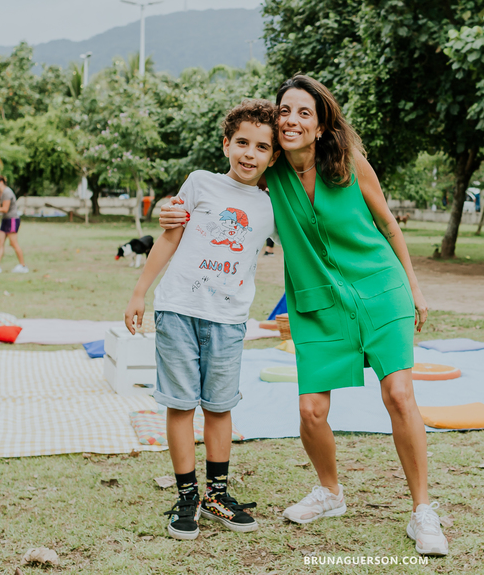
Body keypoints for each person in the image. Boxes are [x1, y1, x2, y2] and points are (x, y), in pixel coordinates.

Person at [160, 75, 449, 557]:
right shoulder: (270, 175)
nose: (292, 120)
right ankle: (330, 492)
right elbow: (221, 192)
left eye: (304, 113)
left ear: (320, 125)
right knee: (310, 411)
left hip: (380, 291)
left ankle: (422, 511)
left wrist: (415, 288)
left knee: (399, 394)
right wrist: (172, 212)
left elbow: (388, 225)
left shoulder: (350, 164)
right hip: (319, 303)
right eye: (285, 111)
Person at [125, 99, 280, 541]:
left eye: (262, 147)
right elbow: (169, 237)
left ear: (273, 156)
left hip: (229, 320)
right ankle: (187, 497)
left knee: (219, 406)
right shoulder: (200, 183)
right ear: (226, 143)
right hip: (177, 311)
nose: (250, 154)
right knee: (180, 403)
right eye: (243, 143)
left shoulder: (271, 206)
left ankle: (217, 494)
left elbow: (302, 248)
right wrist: (140, 293)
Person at [0, 175, 28, 273]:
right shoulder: (0, 193)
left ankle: (23, 266)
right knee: (0, 242)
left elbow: (4, 209)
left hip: (12, 220)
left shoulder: (7, 192)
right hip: (5, 219)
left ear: (1, 182)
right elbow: (0, 207)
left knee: (13, 243)